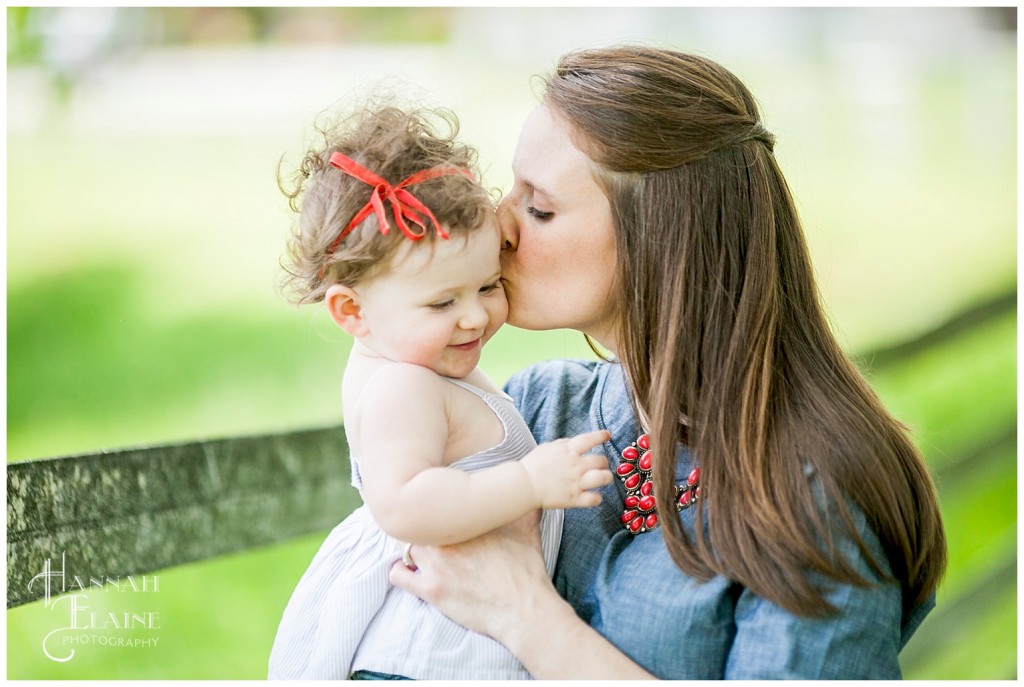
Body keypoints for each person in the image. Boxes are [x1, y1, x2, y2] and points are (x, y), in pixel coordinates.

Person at [390, 45, 948, 679]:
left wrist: (527, 616)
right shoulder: (536, 409)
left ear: (659, 237)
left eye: (539, 208)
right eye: (507, 191)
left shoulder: (812, 496)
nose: (500, 227)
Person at [266, 102, 613, 680]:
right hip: (424, 648)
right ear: (352, 311)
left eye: (488, 285)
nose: (475, 317)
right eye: (443, 302)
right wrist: (527, 482)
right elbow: (403, 504)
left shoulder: (411, 361)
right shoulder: (402, 385)